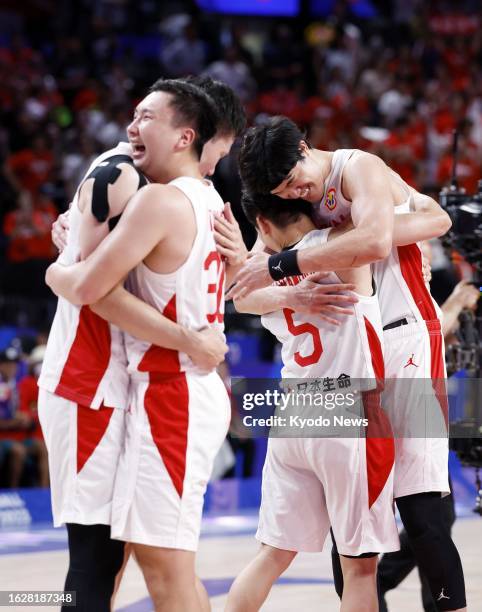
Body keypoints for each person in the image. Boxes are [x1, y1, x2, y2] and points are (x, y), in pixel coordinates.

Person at [227, 116, 466, 612]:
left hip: (406, 337)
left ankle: (447, 604)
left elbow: (386, 237)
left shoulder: (358, 168)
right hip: (353, 360)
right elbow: (246, 297)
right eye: (283, 191)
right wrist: (297, 299)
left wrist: (285, 268)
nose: (295, 194)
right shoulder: (287, 206)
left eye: (295, 181)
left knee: (422, 503)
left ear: (305, 148)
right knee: (354, 517)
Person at [38, 79, 236, 612]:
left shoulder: (163, 196)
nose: (132, 127)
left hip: (161, 390)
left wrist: (64, 263)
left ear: (186, 135)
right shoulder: (174, 190)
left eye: (146, 116)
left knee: (148, 564)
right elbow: (95, 289)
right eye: (136, 116)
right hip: (106, 383)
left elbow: (87, 286)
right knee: (120, 558)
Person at [225, 193, 398, 612]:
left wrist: (255, 257)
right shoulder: (341, 249)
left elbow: (239, 297)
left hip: (294, 412)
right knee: (360, 569)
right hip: (348, 408)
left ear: (263, 225)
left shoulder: (263, 276)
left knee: (272, 555)